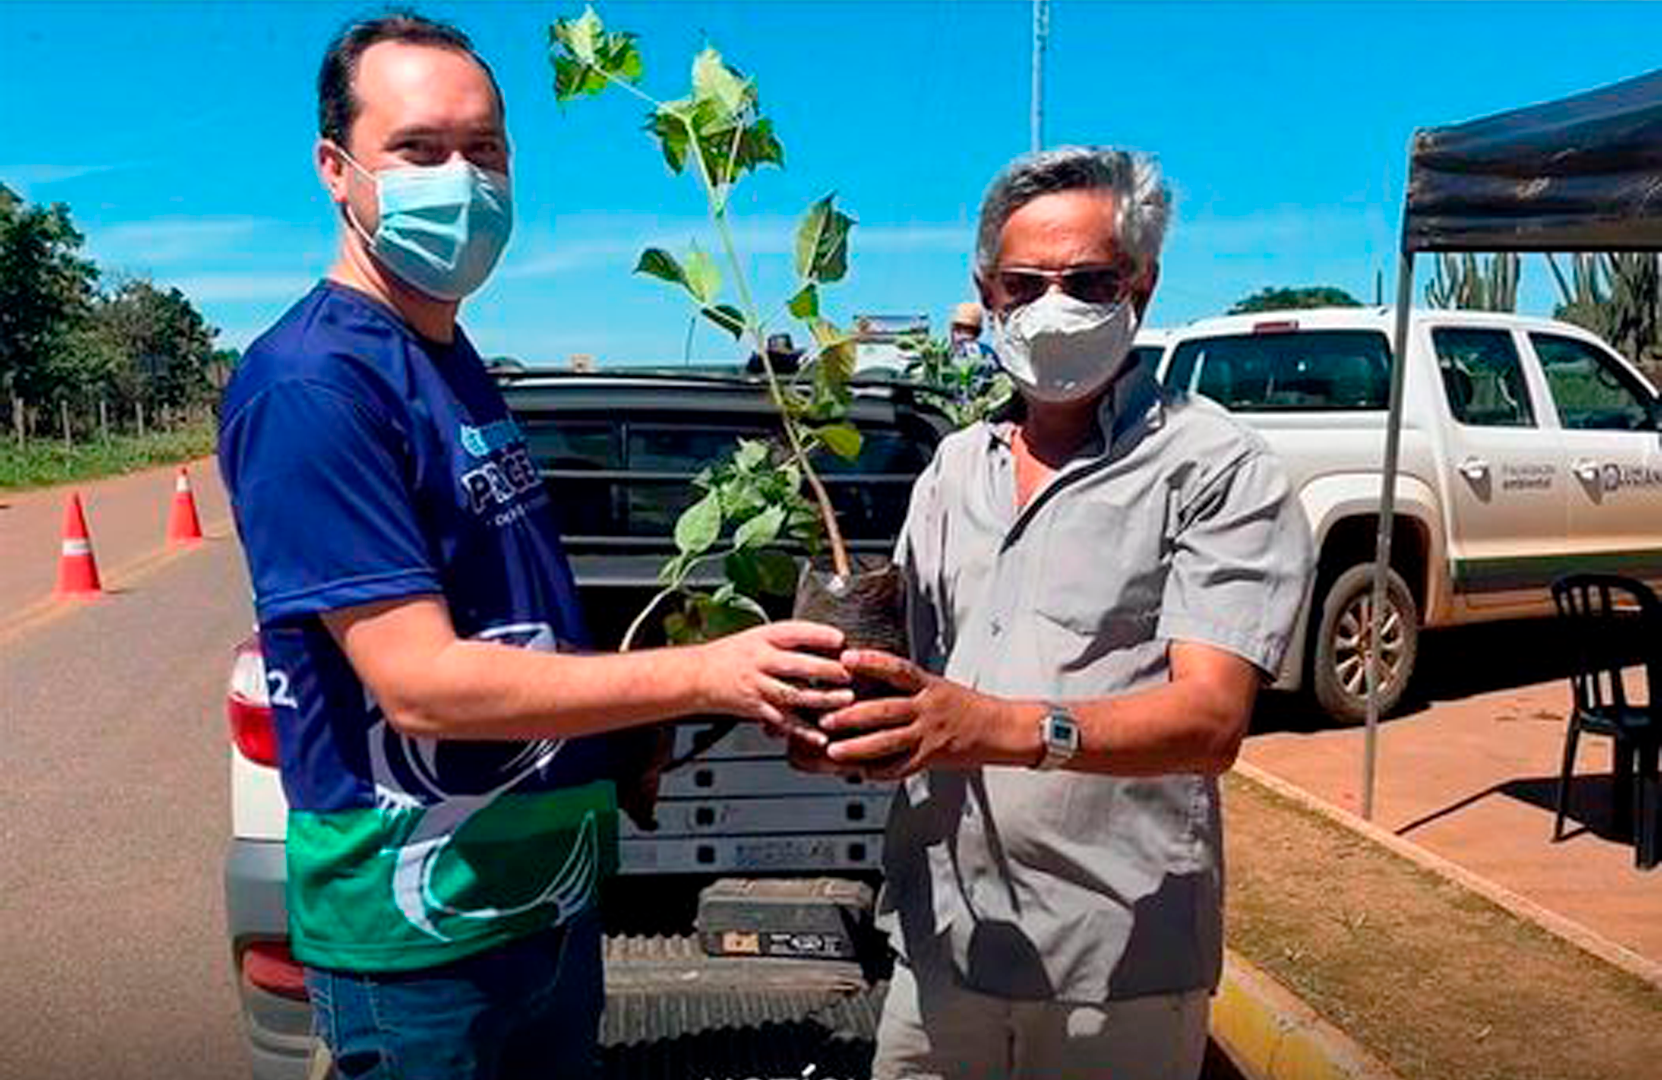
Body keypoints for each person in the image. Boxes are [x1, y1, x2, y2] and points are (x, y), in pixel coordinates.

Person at [217, 14, 850, 1080]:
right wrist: (700, 674)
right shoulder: (315, 385)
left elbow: (504, 610)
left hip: (539, 907)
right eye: (419, 150)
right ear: (338, 170)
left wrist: (620, 735)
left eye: (486, 150)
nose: (462, 179)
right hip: (420, 939)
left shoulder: (448, 353)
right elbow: (418, 684)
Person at [818, 147, 1314, 1080]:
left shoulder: (1214, 470)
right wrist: (842, 728)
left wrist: (996, 725)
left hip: (1113, 961)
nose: (1054, 307)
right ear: (987, 293)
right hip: (946, 940)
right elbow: (913, 682)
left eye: (1087, 281)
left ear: (1142, 288)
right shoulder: (956, 469)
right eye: (1025, 283)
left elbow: (1210, 722)